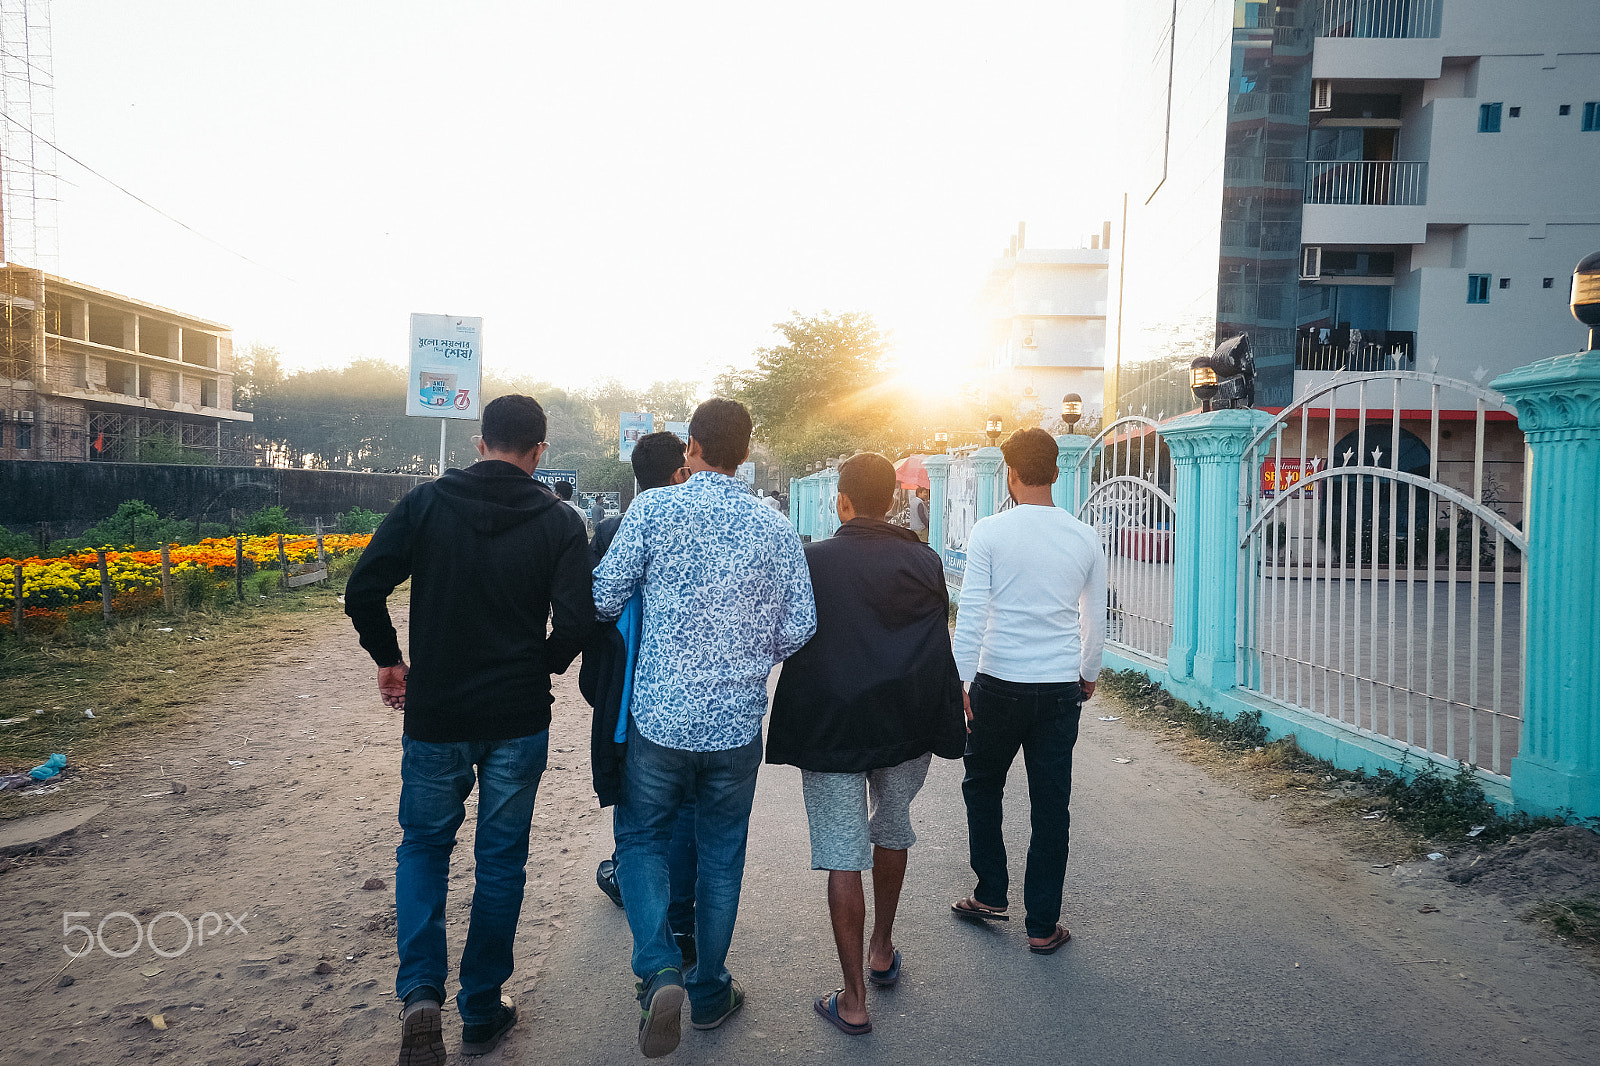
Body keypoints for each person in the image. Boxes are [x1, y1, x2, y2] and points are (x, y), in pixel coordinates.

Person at [344, 395, 594, 1065]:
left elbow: (362, 589)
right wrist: (538, 664)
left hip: (437, 715)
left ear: (481, 442)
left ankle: (422, 994)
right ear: (539, 452)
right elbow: (576, 622)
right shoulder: (561, 521)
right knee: (501, 860)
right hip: (517, 719)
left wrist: (390, 659)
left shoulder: (426, 504)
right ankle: (482, 1009)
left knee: (424, 846)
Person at [593, 398, 815, 1058]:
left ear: (692, 446)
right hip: (735, 729)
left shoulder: (654, 508)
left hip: (658, 721)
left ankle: (659, 967)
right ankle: (711, 992)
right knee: (720, 855)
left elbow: (603, 597)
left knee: (639, 839)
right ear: (745, 453)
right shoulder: (773, 526)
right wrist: (749, 657)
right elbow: (801, 627)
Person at [767, 452, 966, 1037]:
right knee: (893, 825)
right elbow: (933, 636)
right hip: (905, 719)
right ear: (893, 501)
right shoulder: (924, 559)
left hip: (832, 723)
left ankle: (853, 1000)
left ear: (841, 500)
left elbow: (788, 634)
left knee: (841, 848)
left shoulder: (812, 561)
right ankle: (882, 948)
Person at [948, 427, 1106, 955]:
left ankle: (990, 892)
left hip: (997, 682)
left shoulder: (990, 532)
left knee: (982, 786)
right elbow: (1095, 619)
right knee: (1050, 804)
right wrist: (1088, 672)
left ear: (1010, 474)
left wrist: (960, 679)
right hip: (1059, 688)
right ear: (1057, 472)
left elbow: (971, 612)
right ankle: (1042, 925)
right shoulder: (1085, 536)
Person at [584, 430, 700, 967]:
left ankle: (635, 886)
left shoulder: (612, 529)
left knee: (639, 811)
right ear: (680, 473)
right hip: (673, 694)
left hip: (621, 692)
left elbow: (593, 606)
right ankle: (680, 923)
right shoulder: (691, 526)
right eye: (690, 465)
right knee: (683, 810)